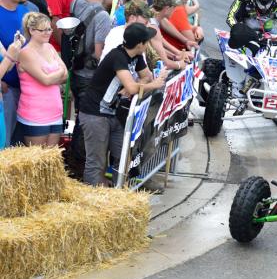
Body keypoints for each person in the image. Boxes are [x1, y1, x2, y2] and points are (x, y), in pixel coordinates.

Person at [78, 23, 168, 186]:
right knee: (96, 162)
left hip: (115, 113)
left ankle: (118, 189)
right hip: (95, 114)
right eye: (147, 41)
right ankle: (92, 195)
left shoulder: (136, 55)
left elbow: (145, 76)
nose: (148, 44)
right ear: (140, 44)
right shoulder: (117, 56)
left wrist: (137, 85)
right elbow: (136, 86)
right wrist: (149, 86)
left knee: (124, 154)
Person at [16, 12, 67, 147]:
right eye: (43, 30)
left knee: (51, 160)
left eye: (49, 29)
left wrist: (57, 75)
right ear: (31, 30)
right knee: (38, 162)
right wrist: (59, 72)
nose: (48, 33)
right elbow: (46, 80)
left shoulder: (50, 47)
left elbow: (66, 75)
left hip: (55, 111)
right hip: (35, 115)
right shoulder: (25, 52)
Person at [0, 0, 34, 144]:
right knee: (5, 141)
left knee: (19, 142)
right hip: (6, 89)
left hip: (28, 87)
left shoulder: (25, 12)